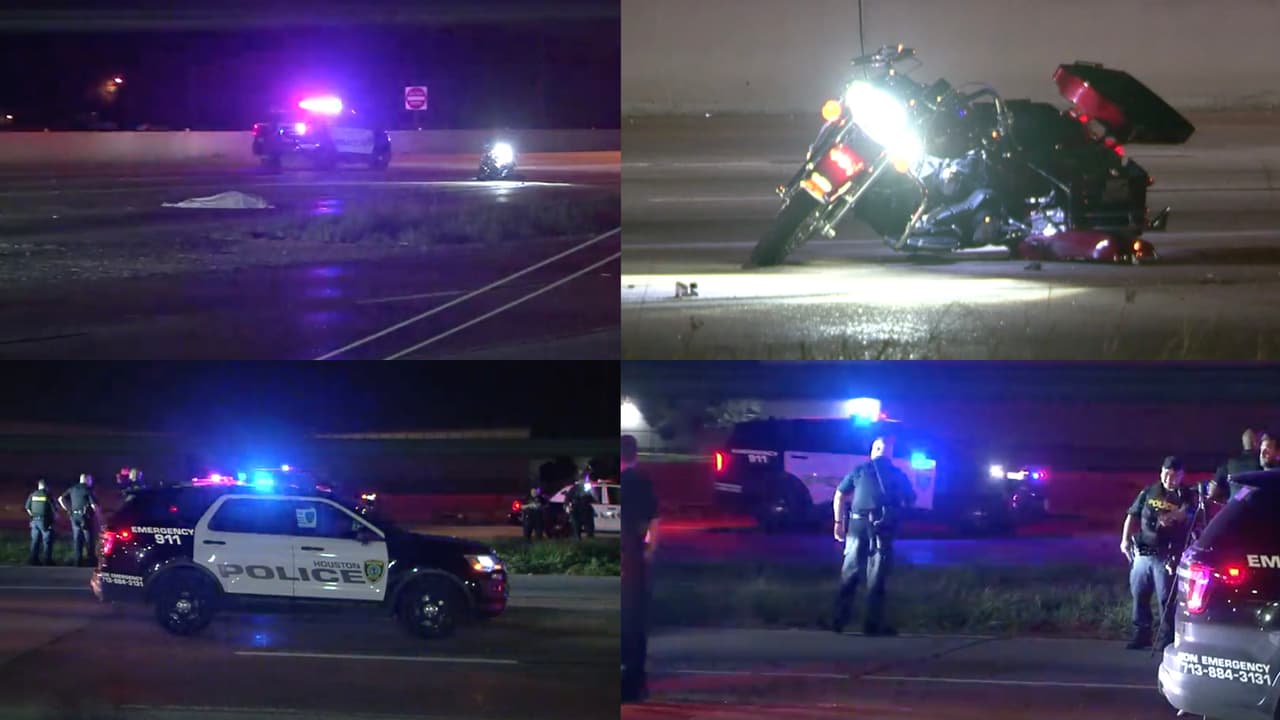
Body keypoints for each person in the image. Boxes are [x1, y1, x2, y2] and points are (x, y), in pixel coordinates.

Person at [831, 435, 917, 636]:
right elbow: (911, 500)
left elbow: (839, 495)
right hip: (883, 531)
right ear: (890, 453)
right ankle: (871, 625)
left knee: (850, 573)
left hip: (856, 527)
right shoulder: (897, 473)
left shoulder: (860, 470)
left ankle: (839, 621)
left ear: (874, 450)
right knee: (876, 579)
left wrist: (838, 523)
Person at [1120, 456, 1195, 651]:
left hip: (1167, 553)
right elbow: (1132, 514)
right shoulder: (1149, 491)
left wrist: (1170, 517)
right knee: (1139, 594)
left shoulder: (1186, 494)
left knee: (1165, 598)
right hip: (1144, 551)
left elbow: (1186, 513)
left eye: (1173, 475)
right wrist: (1125, 540)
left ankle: (1166, 638)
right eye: (1165, 474)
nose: (1168, 478)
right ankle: (1141, 633)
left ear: (1181, 476)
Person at [621, 434, 658, 704]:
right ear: (635, 455)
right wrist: (648, 552)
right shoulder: (642, 483)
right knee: (635, 622)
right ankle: (635, 684)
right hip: (634, 560)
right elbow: (654, 523)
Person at [58, 474, 100, 567]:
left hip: (74, 516)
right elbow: (94, 505)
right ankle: (90, 561)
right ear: (87, 480)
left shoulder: (73, 488)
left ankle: (78, 561)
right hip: (85, 517)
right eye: (90, 480)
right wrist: (98, 517)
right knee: (89, 539)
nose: (91, 482)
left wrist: (69, 509)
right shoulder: (87, 489)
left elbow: (60, 498)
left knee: (77, 539)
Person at [24, 479, 57, 566]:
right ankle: (47, 561)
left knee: (35, 541)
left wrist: (33, 515)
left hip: (34, 521)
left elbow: (27, 507)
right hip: (45, 521)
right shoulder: (48, 495)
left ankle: (33, 560)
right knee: (47, 541)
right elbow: (54, 509)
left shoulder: (33, 494)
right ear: (46, 486)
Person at [568, 474, 597, 540]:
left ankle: (582, 539)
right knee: (578, 527)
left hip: (582, 509)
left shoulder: (583, 488)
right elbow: (594, 498)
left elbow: (593, 498)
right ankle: (581, 539)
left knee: (582, 528)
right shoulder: (576, 488)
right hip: (579, 509)